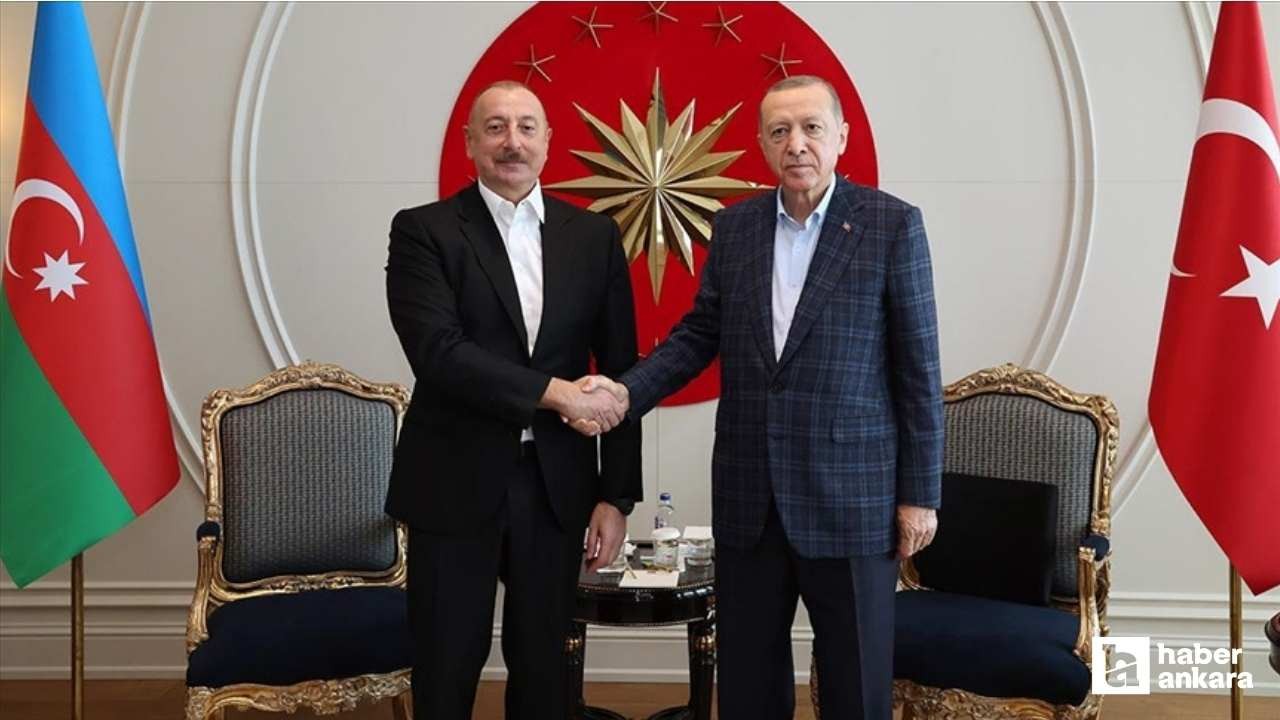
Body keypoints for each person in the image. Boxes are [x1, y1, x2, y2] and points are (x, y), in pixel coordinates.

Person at [578, 75, 943, 719]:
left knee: (857, 688)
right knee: (748, 686)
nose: (796, 143)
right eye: (780, 131)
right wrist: (624, 392)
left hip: (852, 498)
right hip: (751, 497)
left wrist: (921, 495)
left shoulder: (891, 225)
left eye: (811, 128)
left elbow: (918, 371)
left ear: (841, 138)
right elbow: (698, 336)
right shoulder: (737, 228)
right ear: (762, 144)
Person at [384, 80, 642, 719]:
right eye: (495, 127)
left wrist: (616, 496)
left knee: (545, 669)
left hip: (556, 487)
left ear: (548, 141)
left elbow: (620, 371)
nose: (512, 142)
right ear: (469, 142)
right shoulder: (423, 231)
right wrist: (557, 395)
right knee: (445, 665)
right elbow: (439, 353)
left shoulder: (594, 236)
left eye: (527, 127)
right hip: (452, 479)